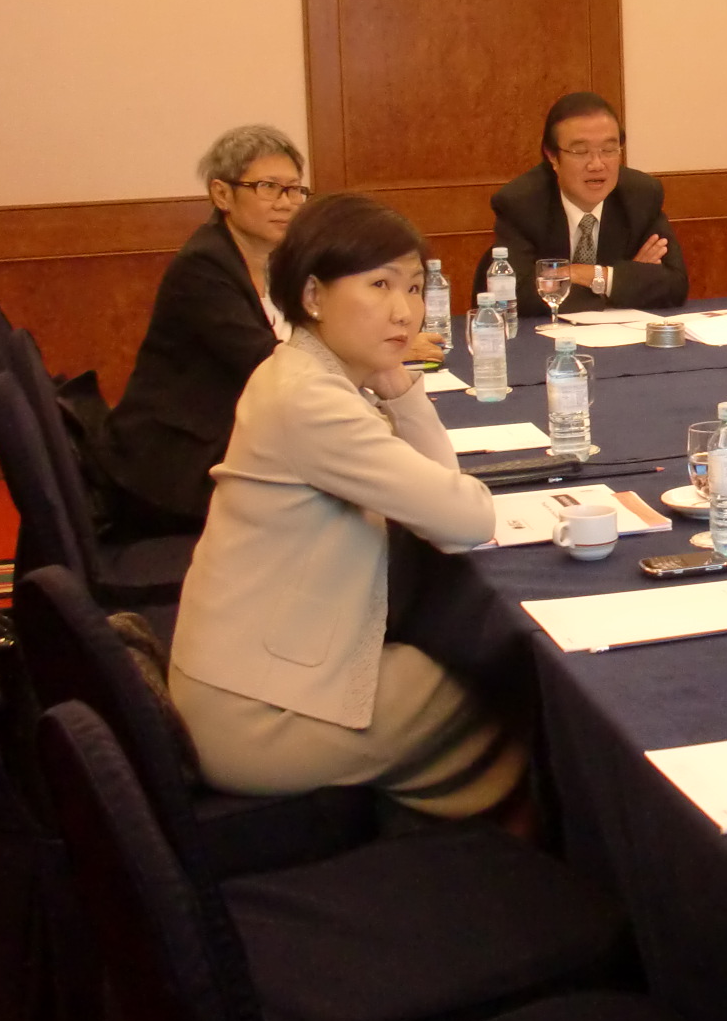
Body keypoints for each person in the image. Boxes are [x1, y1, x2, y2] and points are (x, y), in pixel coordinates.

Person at [168, 193, 526, 820]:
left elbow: (443, 501)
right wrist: (404, 395)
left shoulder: (303, 372)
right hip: (261, 714)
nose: (403, 311)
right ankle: (498, 859)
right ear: (313, 295)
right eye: (379, 285)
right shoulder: (311, 401)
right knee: (520, 689)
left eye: (413, 287)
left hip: (257, 671)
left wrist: (396, 386)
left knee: (469, 665)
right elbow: (466, 519)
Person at [97, 126, 439, 534]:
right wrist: (372, 348)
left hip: (242, 440)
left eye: (294, 189)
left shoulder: (282, 263)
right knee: (368, 513)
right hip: (178, 463)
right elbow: (267, 362)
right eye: (268, 188)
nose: (286, 202)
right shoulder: (203, 267)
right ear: (222, 194)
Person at [474, 92, 686, 315]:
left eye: (608, 150)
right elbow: (517, 295)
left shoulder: (641, 196)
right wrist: (623, 282)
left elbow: (674, 286)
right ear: (552, 156)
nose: (597, 164)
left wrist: (584, 274)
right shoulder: (521, 203)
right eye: (580, 151)